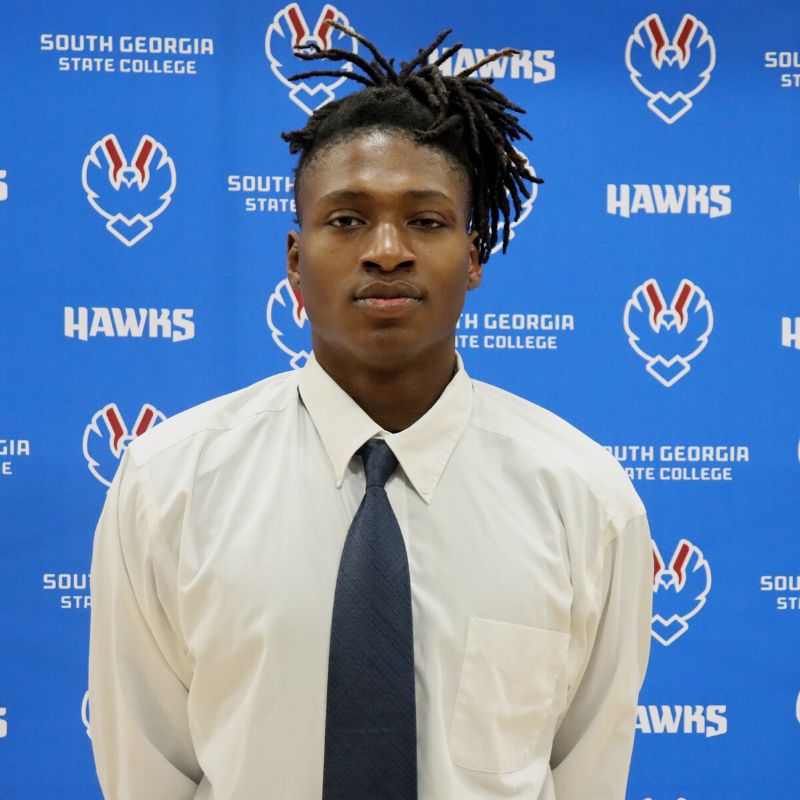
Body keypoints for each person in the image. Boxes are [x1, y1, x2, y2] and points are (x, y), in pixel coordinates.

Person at [89, 24, 652, 800]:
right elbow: (147, 772)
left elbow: (587, 772)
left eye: (426, 220)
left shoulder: (585, 499)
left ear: (474, 257)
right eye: (347, 220)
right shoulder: (168, 485)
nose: (387, 250)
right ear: (295, 261)